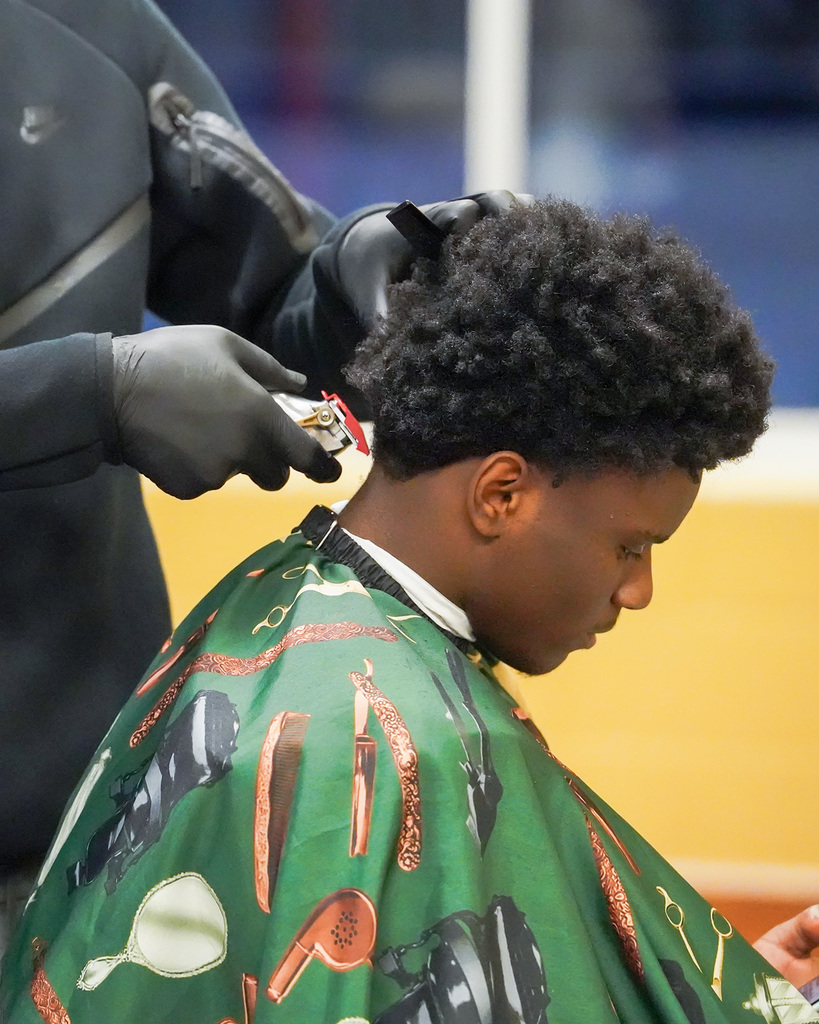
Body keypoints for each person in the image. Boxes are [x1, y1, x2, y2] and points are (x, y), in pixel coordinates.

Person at [3, 198, 816, 1024]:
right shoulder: (394, 744)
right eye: (630, 547)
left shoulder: (280, 603)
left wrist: (691, 989)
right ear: (500, 495)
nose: (637, 589)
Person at [0, 0, 520, 932]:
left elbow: (272, 293)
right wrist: (85, 396)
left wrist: (362, 280)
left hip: (86, 831)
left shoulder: (83, 26)